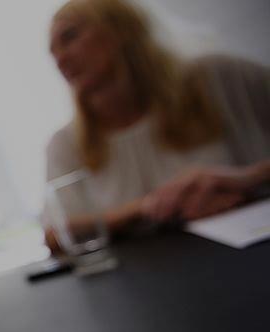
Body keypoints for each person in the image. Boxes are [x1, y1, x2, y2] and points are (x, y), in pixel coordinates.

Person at [44, 0, 270, 251]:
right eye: (53, 52)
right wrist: (147, 205)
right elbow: (54, 233)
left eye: (70, 36)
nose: (60, 59)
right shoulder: (66, 143)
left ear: (121, 28)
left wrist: (245, 179)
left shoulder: (218, 78)